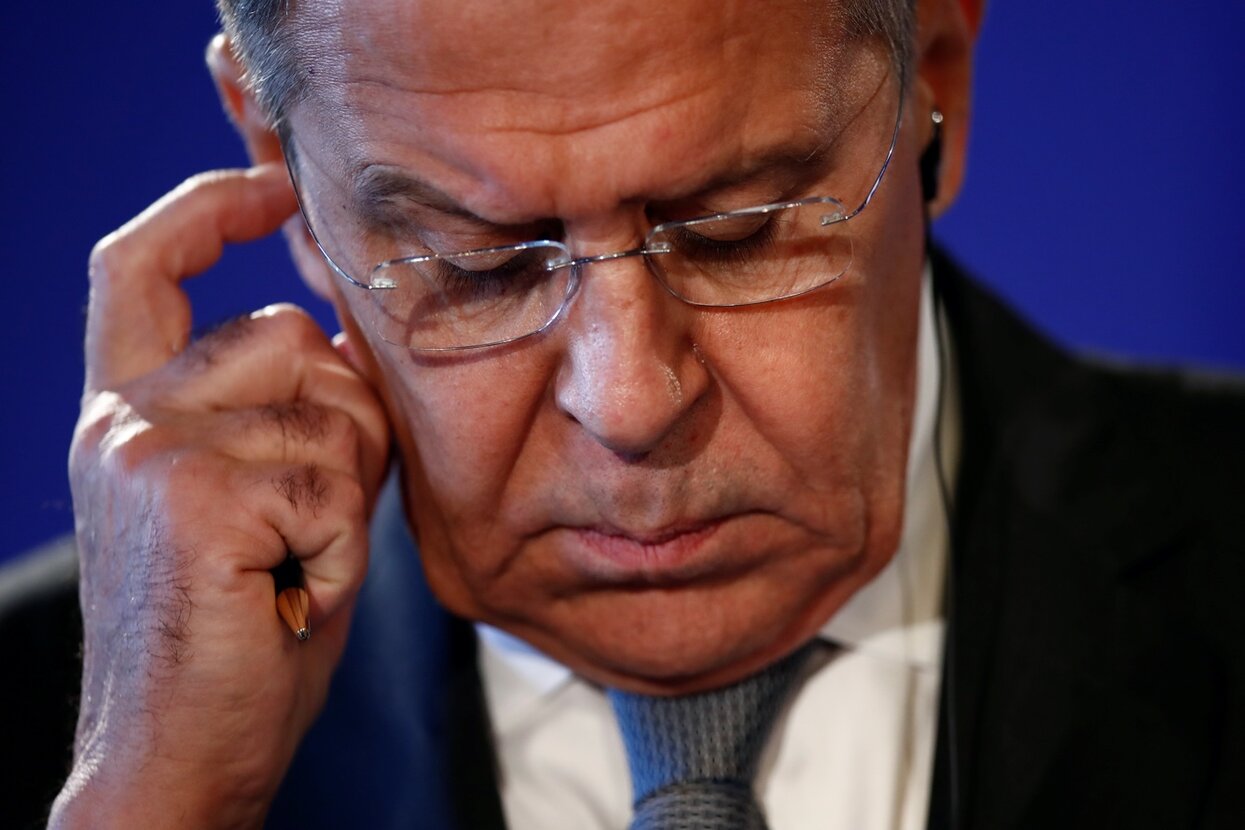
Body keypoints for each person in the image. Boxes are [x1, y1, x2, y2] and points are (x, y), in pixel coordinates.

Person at [1, 0, 1241, 827]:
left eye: (739, 230)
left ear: (937, 80)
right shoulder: (86, 755)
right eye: (479, 262)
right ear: (280, 161)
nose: (632, 401)